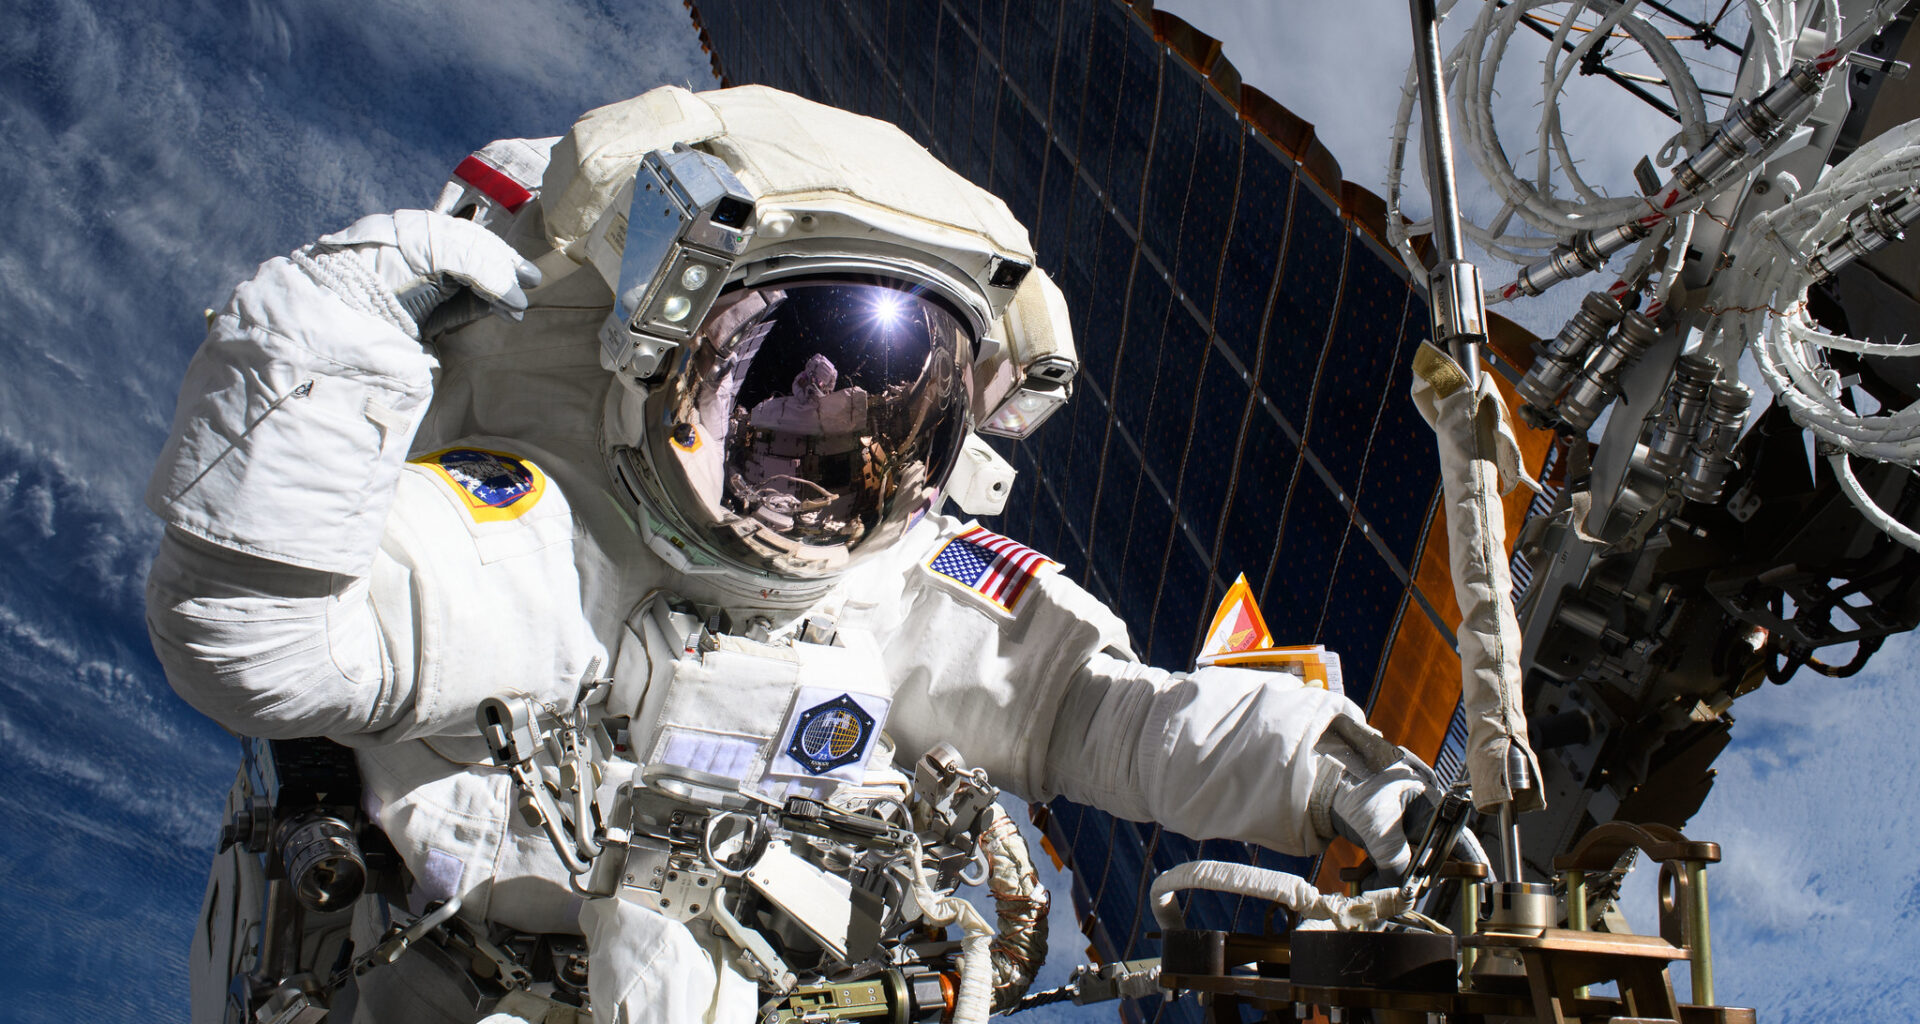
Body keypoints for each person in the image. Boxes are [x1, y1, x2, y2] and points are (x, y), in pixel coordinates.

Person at [146, 85, 1444, 1024]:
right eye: (780, 392)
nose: (836, 460)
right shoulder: (542, 541)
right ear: (656, 363)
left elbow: (1114, 718)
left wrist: (1342, 784)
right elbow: (260, 642)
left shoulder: (896, 587)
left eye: (894, 422)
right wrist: (322, 358)